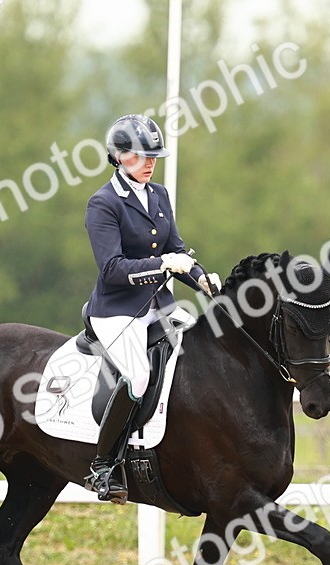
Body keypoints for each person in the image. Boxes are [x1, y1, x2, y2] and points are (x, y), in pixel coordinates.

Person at [82, 113, 222, 503]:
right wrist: (162, 266)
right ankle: (103, 465)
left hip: (159, 306)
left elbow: (176, 249)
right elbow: (111, 270)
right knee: (138, 378)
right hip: (118, 312)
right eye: (142, 156)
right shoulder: (103, 204)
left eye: (153, 157)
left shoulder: (158, 194)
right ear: (118, 157)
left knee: (202, 351)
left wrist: (201, 278)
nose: (149, 163)